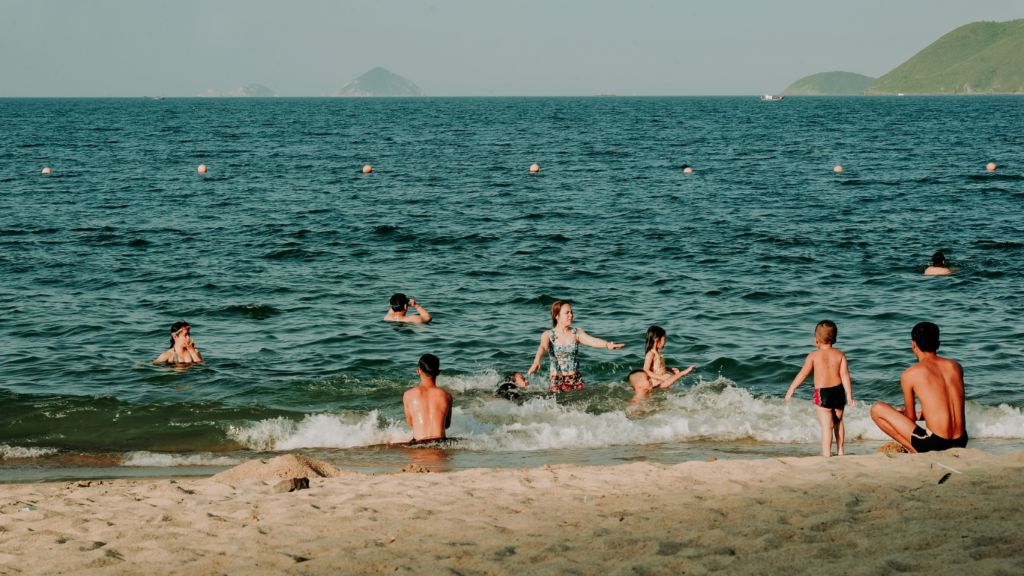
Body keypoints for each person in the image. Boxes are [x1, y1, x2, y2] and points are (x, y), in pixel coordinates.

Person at [870, 322, 968, 453]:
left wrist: (901, 414)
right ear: (938, 344)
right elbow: (946, 409)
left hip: (935, 444)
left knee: (876, 409)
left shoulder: (910, 374)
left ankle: (914, 451)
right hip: (961, 441)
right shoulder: (956, 367)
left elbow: (910, 420)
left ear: (913, 344)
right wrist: (917, 415)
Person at [785, 320, 856, 457]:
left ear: (816, 340)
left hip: (823, 393)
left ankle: (827, 454)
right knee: (838, 422)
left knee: (826, 426)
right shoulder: (840, 355)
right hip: (839, 391)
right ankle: (840, 451)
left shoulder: (813, 356)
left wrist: (792, 388)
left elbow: (803, 373)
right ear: (835, 339)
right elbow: (845, 375)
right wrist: (849, 396)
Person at [527, 300, 625, 392]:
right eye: (567, 313)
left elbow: (593, 341)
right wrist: (537, 360)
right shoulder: (548, 334)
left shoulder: (576, 333)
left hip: (576, 379)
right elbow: (543, 347)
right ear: (556, 315)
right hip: (557, 380)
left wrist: (607, 344)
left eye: (571, 312)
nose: (571, 315)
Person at [403, 354, 452, 442]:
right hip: (440, 443)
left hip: (419, 444)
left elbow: (410, 423)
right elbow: (447, 425)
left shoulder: (408, 395)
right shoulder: (447, 396)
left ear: (418, 372)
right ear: (438, 372)